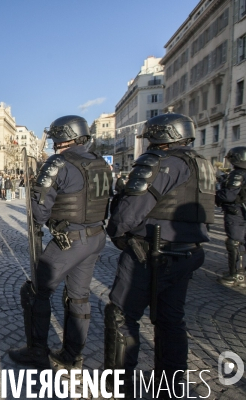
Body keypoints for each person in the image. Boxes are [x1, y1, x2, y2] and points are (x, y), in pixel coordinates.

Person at [104, 114, 214, 396]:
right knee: (171, 319)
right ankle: (170, 383)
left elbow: (128, 212)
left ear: (160, 137)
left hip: (150, 252)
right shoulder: (203, 164)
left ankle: (119, 384)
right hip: (188, 252)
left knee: (121, 315)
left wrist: (118, 234)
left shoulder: (159, 162)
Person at [9, 115, 111, 371]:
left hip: (69, 241)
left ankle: (37, 352)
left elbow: (38, 211)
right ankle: (72, 354)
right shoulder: (99, 162)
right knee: (79, 297)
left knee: (35, 292)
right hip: (96, 236)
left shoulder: (59, 163)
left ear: (61, 136)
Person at [216, 146, 246, 287]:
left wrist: (216, 195)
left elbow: (229, 195)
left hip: (237, 213)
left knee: (234, 242)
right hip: (242, 213)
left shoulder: (238, 174)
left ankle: (236, 275)